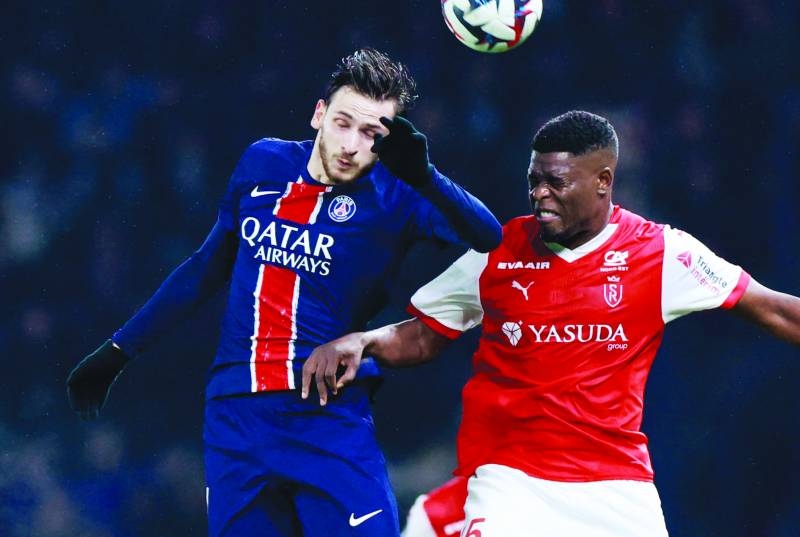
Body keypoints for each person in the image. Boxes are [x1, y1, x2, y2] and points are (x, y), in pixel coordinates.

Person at [303, 110, 800, 537]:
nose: (539, 195)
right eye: (534, 180)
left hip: (616, 488)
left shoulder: (662, 254)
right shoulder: (497, 250)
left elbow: (775, 307)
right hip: (511, 482)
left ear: (603, 182)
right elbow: (422, 333)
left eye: (557, 183)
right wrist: (363, 339)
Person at [66, 48, 503, 537]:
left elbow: (488, 236)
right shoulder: (264, 161)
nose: (351, 145)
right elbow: (206, 267)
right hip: (237, 417)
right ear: (319, 115)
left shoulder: (398, 196)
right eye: (343, 123)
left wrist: (427, 177)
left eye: (371, 134)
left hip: (325, 414)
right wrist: (117, 351)